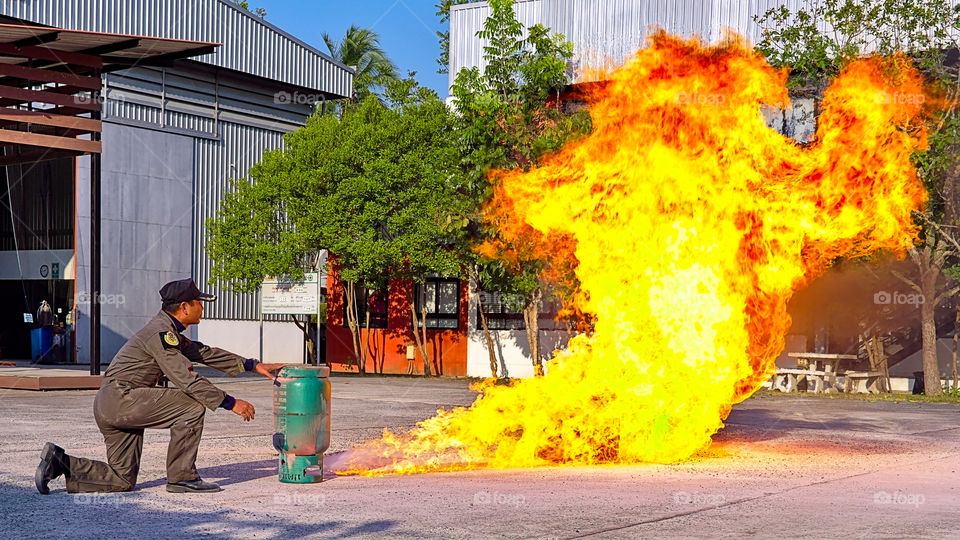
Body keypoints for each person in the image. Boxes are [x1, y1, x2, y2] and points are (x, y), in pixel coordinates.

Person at [35, 278, 286, 494]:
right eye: (199, 303)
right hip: (123, 399)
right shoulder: (161, 334)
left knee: (122, 480)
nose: (202, 308)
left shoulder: (167, 331)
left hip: (112, 404)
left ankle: (61, 463)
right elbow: (186, 379)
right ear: (184, 307)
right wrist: (231, 403)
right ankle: (182, 477)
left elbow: (203, 353)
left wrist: (253, 365)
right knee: (192, 403)